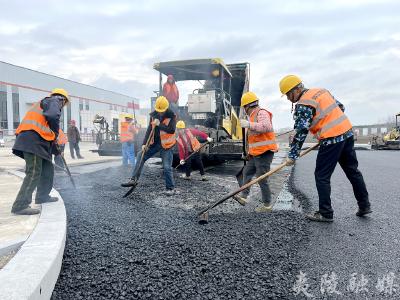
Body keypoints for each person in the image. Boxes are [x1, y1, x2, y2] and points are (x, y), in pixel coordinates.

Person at [279, 74, 371, 222]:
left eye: (288, 95)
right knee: (353, 171)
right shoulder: (322, 91)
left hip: (331, 140)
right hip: (347, 134)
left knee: (321, 176)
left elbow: (301, 131)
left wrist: (292, 155)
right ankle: (365, 205)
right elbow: (341, 107)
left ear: (295, 90)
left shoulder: (303, 104)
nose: (289, 99)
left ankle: (325, 213)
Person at [11, 88, 69, 215]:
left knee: (48, 169)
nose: (63, 106)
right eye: (64, 103)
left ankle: (42, 196)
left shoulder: (46, 104)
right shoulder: (54, 100)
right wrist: (55, 133)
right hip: (33, 140)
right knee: (34, 172)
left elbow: (46, 132)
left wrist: (56, 150)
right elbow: (53, 117)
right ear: (63, 100)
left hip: (37, 140)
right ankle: (20, 205)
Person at [121, 96, 177, 195]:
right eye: (159, 110)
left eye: (162, 111)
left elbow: (172, 130)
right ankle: (133, 179)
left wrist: (160, 124)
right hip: (154, 143)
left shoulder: (172, 116)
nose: (160, 113)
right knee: (140, 155)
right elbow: (149, 130)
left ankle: (170, 188)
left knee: (167, 167)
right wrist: (144, 144)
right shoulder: (153, 116)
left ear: (166, 109)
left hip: (167, 145)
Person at [234, 92, 278, 212]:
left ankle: (267, 205)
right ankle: (244, 197)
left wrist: (249, 124)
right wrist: (247, 152)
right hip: (255, 153)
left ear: (247, 106)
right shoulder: (252, 116)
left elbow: (266, 126)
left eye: (244, 108)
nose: (244, 110)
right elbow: (253, 138)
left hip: (265, 152)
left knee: (262, 178)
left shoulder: (261, 112)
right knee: (247, 172)